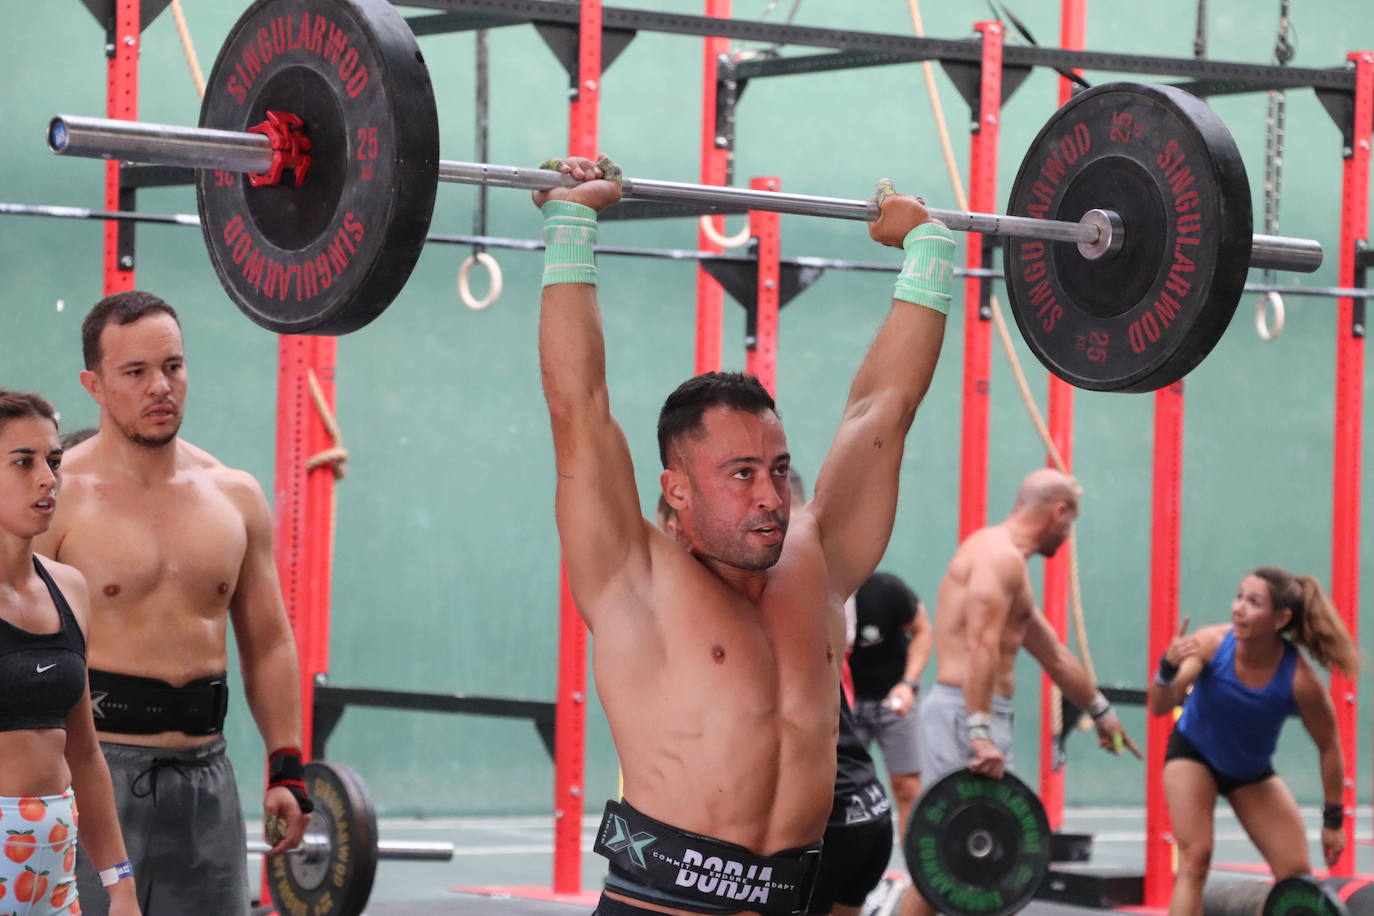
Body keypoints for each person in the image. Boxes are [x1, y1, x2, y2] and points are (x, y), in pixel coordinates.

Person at [535, 155, 953, 916]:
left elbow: (883, 409)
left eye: (779, 468)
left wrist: (927, 252)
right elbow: (579, 409)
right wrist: (572, 223)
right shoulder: (633, 578)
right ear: (677, 490)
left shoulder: (817, 564)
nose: (771, 496)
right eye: (740, 474)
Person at [34, 292, 310, 916]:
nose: (161, 387)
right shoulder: (57, 499)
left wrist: (286, 766)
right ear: (94, 385)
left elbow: (268, 641)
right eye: (135, 372)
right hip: (89, 775)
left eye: (173, 367)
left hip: (207, 779)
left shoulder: (234, 496)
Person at [907, 469, 1140, 916]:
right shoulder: (999, 558)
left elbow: (1053, 654)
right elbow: (981, 646)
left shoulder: (1008, 564)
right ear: (1058, 513)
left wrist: (1101, 710)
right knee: (954, 858)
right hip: (967, 717)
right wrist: (979, 732)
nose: (1068, 535)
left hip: (980, 716)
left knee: (981, 864)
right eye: (1071, 523)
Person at [0, 390, 139, 916]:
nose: (47, 478)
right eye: (24, 462)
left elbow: (84, 754)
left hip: (56, 880)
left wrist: (120, 884)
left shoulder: (70, 589)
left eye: (53, 461)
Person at [1149, 568, 1360, 916]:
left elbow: (1330, 747)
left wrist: (1333, 822)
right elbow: (1160, 704)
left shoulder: (1300, 681)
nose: (1238, 608)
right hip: (1193, 755)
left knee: (1295, 878)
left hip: (1250, 772)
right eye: (1239, 597)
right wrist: (1167, 668)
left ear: (1281, 619)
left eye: (1253, 602)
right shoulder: (1211, 643)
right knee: (1195, 859)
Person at [848, 570, 931, 842]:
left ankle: (915, 878)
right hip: (845, 706)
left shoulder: (887, 589)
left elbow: (922, 630)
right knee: (838, 793)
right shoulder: (818, 593)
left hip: (892, 700)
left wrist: (908, 684)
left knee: (907, 787)